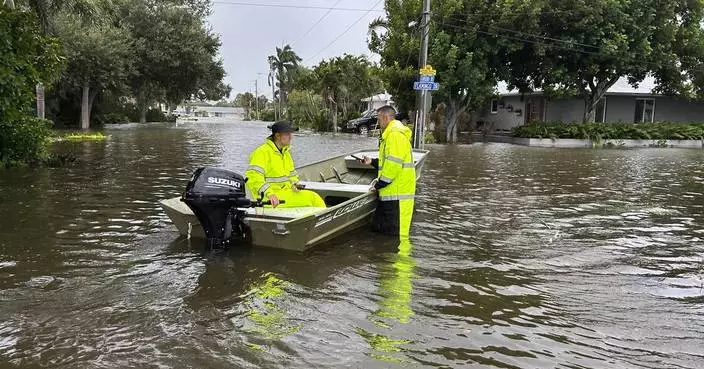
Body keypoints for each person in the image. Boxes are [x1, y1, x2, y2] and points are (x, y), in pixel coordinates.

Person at [361, 106, 416, 237]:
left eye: (379, 119)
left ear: (386, 118)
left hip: (397, 197)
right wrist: (372, 162)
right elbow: (389, 162)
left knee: (395, 236)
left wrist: (378, 185)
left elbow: (393, 166)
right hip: (390, 194)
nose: (378, 122)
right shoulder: (390, 135)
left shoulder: (395, 136)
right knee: (380, 231)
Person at [245, 121, 326, 208]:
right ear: (277, 136)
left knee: (313, 198)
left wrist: (294, 184)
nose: (291, 137)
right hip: (267, 199)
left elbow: (291, 175)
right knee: (313, 199)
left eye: (291, 134)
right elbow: (253, 177)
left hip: (283, 193)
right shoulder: (262, 152)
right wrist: (270, 194)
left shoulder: (285, 152)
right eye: (287, 134)